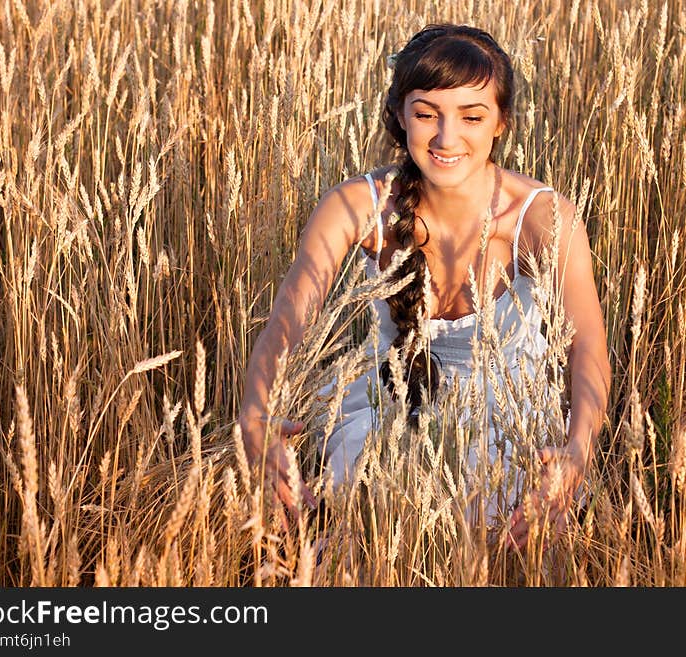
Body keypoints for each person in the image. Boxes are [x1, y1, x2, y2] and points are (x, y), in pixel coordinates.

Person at [238, 24, 611, 549]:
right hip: (384, 402)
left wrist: (578, 449)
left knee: (502, 530)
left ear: (502, 121)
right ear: (399, 115)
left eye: (471, 116)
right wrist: (255, 414)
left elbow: (587, 343)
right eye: (427, 114)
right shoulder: (356, 206)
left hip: (505, 415)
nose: (446, 138)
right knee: (354, 524)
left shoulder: (541, 216)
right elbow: (288, 318)